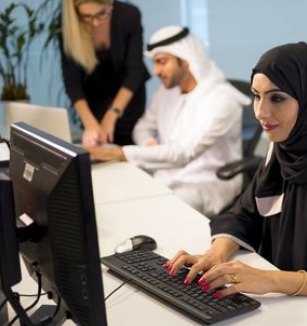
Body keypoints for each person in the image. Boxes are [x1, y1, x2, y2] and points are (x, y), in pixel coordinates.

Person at [164, 42, 307, 322]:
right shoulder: (284, 152)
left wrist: (268, 280)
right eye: (256, 96)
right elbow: (244, 214)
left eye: (277, 98)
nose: (261, 112)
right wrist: (215, 254)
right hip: (282, 307)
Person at [87, 25, 250, 218]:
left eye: (162, 62)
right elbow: (142, 127)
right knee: (115, 194)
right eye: (155, 63)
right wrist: (148, 143)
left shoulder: (221, 99)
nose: (155, 71)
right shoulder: (167, 92)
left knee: (156, 212)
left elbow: (184, 153)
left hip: (207, 183)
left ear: (186, 60)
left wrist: (115, 153)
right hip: (167, 172)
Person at [60, 0, 150, 146]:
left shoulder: (128, 15)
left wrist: (112, 115)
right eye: (87, 16)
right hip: (93, 101)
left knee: (127, 152)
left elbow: (135, 71)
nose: (95, 22)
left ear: (110, 2)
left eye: (102, 13)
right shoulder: (67, 26)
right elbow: (72, 82)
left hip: (128, 98)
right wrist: (90, 123)